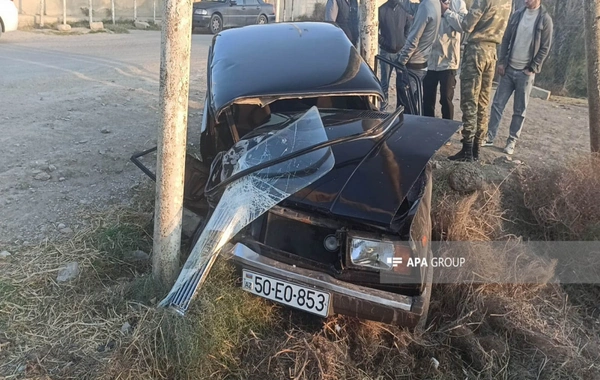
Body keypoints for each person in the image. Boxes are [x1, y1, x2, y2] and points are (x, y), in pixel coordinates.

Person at [483, 0, 553, 155]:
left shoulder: (545, 19)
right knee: (497, 104)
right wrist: (502, 62)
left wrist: (532, 67)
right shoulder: (516, 15)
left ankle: (511, 141)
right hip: (508, 69)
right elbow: (506, 38)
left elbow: (545, 47)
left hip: (525, 72)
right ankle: (489, 136)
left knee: (520, 109)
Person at [447, 0, 512, 162]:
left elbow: (467, 25)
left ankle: (467, 148)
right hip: (492, 52)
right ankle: (476, 148)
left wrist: (448, 13)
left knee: (470, 100)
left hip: (476, 51)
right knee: (483, 102)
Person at [422, 0, 467, 120]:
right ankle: (427, 127)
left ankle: (447, 130)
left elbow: (463, 25)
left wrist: (446, 11)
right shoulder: (429, 2)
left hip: (448, 62)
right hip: (429, 61)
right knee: (427, 98)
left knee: (446, 99)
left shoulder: (458, 4)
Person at [396, 0, 442, 114]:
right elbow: (411, 7)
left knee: (405, 109)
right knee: (412, 104)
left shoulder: (426, 6)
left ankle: (406, 131)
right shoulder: (434, 4)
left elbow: (414, 39)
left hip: (413, 63)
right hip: (422, 62)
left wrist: (401, 61)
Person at [378, 0, 412, 110]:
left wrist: (404, 42)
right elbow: (374, 29)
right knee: (384, 84)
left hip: (400, 55)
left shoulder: (404, 10)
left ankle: (401, 109)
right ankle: (383, 110)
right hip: (386, 53)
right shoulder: (381, 10)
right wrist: (384, 42)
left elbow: (408, 28)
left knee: (401, 84)